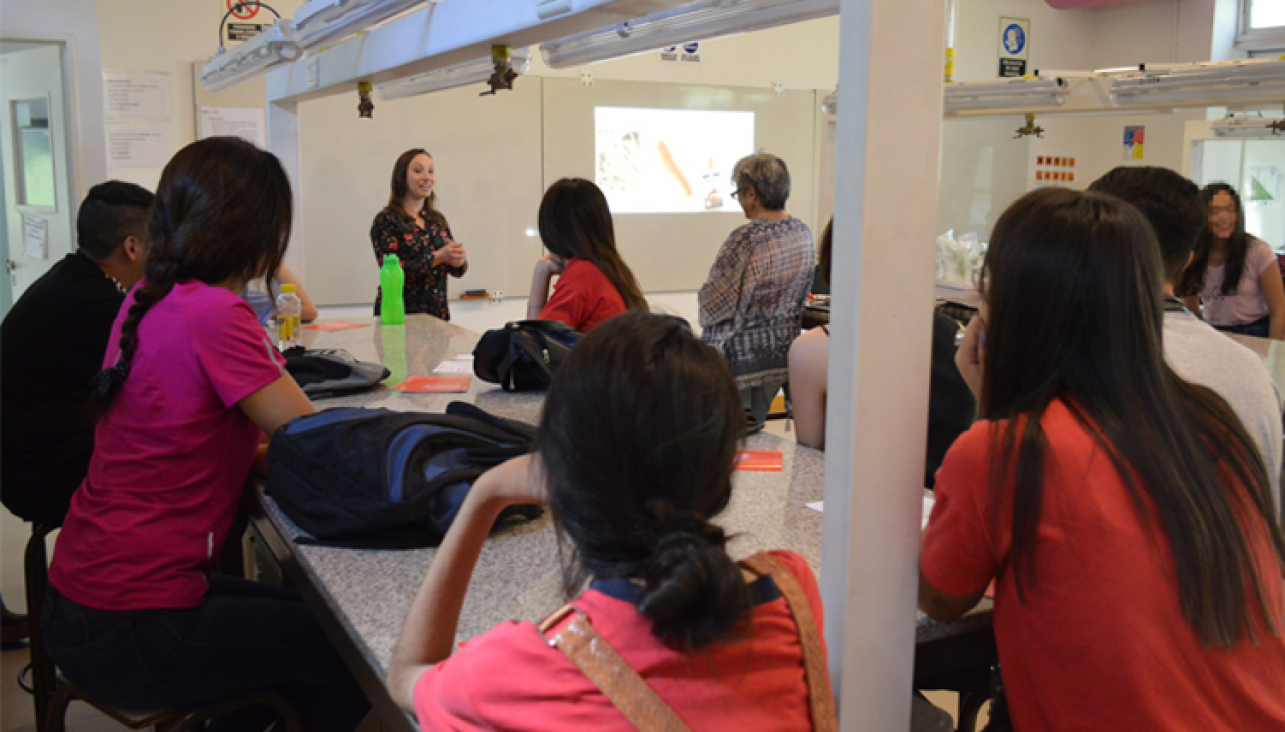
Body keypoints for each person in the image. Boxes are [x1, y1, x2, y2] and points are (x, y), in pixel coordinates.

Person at [920, 188, 1285, 731]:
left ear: (1011, 312)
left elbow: (940, 596)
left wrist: (989, 412)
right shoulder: (1209, 418)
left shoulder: (1008, 449)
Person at [42, 137, 369, 731]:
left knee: (321, 629)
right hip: (134, 622)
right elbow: (322, 444)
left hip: (84, 600)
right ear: (259, 235)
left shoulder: (149, 297)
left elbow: (189, 437)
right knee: (359, 654)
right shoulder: (215, 314)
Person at [387, 312, 828, 730]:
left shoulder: (520, 671)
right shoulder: (793, 590)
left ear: (562, 477)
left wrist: (484, 495)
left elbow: (407, 677)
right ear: (725, 470)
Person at [1090, 166, 1283, 514]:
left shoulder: (1096, 359)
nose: (1223, 217)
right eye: (1215, 211)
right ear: (1187, 260)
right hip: (1251, 562)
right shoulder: (1252, 374)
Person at [2, 180, 152, 528]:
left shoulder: (69, 278)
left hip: (28, 459)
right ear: (132, 247)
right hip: (43, 473)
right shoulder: (98, 306)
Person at [789, 219, 976, 488]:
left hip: (857, 509)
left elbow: (811, 468)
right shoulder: (957, 336)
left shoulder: (813, 350)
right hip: (944, 507)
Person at [699, 153, 814, 432]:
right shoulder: (802, 232)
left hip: (739, 360)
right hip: (779, 356)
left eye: (739, 193)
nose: (739, 202)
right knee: (753, 434)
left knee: (728, 438)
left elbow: (713, 305)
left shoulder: (745, 238)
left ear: (752, 194)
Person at [525, 178, 648, 331]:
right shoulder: (611, 269)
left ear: (552, 229)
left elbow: (534, 346)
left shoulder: (582, 274)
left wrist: (540, 275)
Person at [1176, 182, 1285, 340]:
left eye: (1230, 209)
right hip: (1213, 331)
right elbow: (1190, 309)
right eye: (1215, 211)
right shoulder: (1194, 252)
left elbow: (1279, 310)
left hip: (1254, 331)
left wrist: (1274, 351)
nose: (1224, 218)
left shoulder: (1258, 251)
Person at [371, 148, 468, 320]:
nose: (427, 177)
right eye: (417, 171)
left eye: (431, 171)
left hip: (438, 319)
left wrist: (457, 260)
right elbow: (394, 273)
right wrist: (438, 257)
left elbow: (456, 270)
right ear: (401, 177)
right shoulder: (386, 220)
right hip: (400, 319)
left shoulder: (437, 220)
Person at [241, 263, 320, 326]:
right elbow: (310, 311)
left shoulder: (249, 296)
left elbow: (309, 311)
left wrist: (274, 263)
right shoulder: (247, 298)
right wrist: (274, 263)